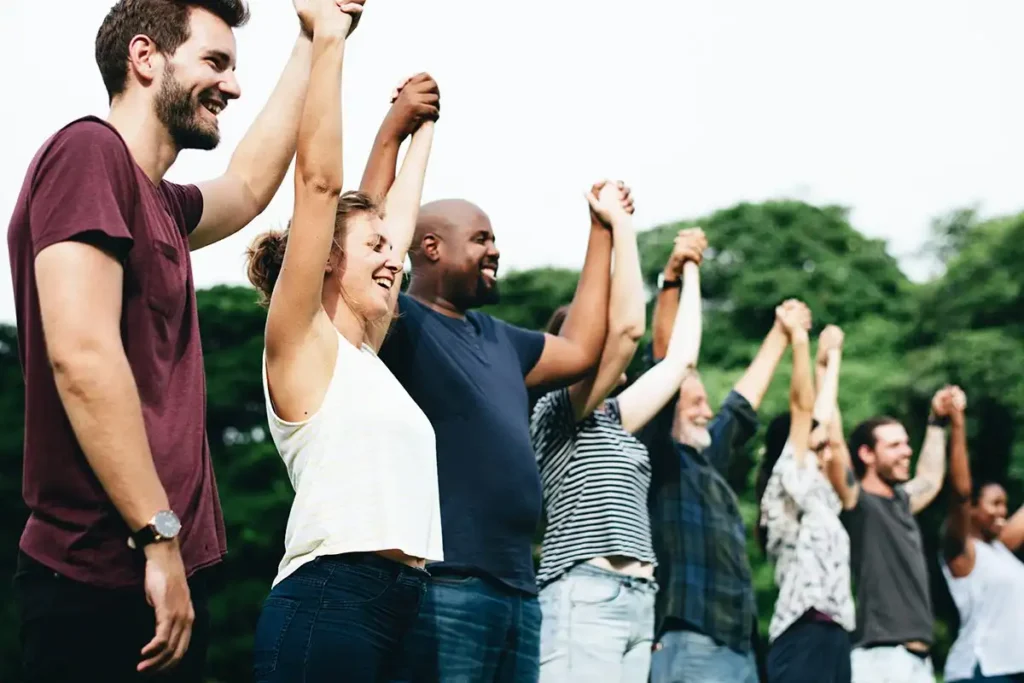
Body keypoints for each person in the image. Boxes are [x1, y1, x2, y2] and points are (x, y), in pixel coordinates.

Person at [6, 0, 344, 679]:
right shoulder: (87, 155)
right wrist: (156, 536)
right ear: (144, 57)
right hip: (103, 573)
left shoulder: (156, 199)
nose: (233, 85)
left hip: (163, 574)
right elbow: (82, 358)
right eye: (215, 62)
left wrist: (313, 35)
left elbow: (247, 185)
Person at [241, 0, 441, 677]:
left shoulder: (366, 360)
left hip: (413, 610)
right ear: (326, 256)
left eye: (397, 249)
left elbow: (399, 225)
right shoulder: (302, 341)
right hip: (331, 604)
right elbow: (321, 183)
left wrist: (426, 131)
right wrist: (330, 36)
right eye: (374, 247)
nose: (396, 259)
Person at [375, 178, 615, 682]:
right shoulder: (402, 322)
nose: (495, 249)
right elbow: (366, 238)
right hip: (446, 582)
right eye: (481, 238)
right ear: (432, 248)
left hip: (520, 589)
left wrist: (601, 230)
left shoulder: (500, 337)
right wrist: (397, 133)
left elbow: (580, 349)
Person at [531, 180, 706, 682]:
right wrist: (622, 225)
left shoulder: (610, 417)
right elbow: (629, 330)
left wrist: (691, 271)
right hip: (583, 591)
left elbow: (681, 361)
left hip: (637, 598)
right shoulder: (555, 412)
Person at [639, 243, 806, 683]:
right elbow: (664, 361)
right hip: (687, 636)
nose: (706, 410)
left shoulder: (705, 459)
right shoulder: (660, 457)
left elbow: (742, 405)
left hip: (741, 643)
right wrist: (673, 280)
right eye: (694, 402)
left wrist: (780, 334)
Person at [757, 324, 856, 683]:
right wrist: (801, 342)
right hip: (801, 634)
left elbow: (826, 425)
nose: (826, 448)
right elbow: (807, 410)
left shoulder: (823, 498)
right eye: (817, 445)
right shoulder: (786, 485)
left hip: (836, 635)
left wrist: (829, 364)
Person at [838, 386, 958, 683]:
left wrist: (936, 422)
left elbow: (930, 479)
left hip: (916, 659)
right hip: (880, 657)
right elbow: (836, 455)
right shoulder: (858, 503)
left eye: (906, 443)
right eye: (894, 445)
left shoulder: (901, 502)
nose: (906, 451)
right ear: (866, 454)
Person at [941, 387, 1024, 683]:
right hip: (980, 671)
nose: (1003, 512)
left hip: (1013, 671)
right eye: (995, 504)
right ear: (973, 510)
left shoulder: (999, 550)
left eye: (1005, 504)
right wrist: (958, 423)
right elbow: (960, 492)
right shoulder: (965, 553)